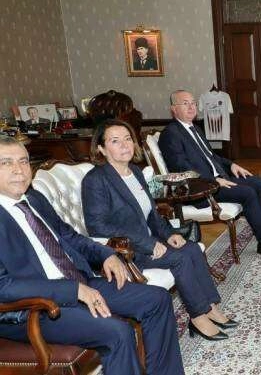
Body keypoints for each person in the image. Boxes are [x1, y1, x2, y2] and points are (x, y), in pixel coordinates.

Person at [0, 135, 184, 375]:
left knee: (157, 299)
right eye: (6, 163)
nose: (18, 170)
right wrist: (73, 290)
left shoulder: (34, 199)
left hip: (78, 281)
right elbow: (4, 287)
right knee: (117, 332)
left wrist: (106, 254)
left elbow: (70, 236)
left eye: (23, 161)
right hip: (34, 308)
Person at [82, 119, 236, 341]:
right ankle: (198, 317)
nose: (125, 145)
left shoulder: (135, 172)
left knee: (192, 249)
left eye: (127, 139)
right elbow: (98, 226)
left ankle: (210, 307)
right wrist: (148, 244)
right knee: (181, 259)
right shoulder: (96, 180)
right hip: (127, 251)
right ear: (101, 149)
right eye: (115, 141)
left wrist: (169, 234)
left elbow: (152, 214)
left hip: (149, 241)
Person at [158, 90, 261, 256]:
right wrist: (212, 180)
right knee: (248, 193)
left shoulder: (195, 129)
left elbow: (212, 156)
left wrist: (232, 165)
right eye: (185, 103)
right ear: (173, 109)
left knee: (259, 182)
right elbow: (181, 167)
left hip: (217, 179)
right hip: (201, 188)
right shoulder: (170, 134)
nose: (191, 107)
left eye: (193, 103)